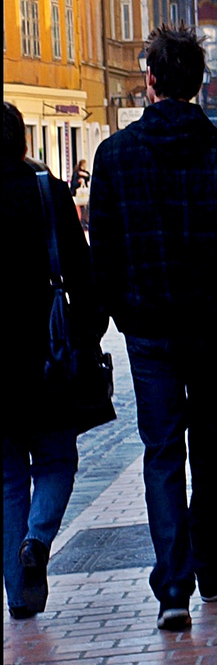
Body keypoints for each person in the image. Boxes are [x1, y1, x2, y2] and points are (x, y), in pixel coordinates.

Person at [88, 25, 217, 632]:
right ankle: (211, 561)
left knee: (162, 452)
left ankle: (173, 586)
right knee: (210, 450)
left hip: (148, 333)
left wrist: (116, 314)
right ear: (197, 85)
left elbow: (104, 256)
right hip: (211, 331)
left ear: (151, 82)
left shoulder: (114, 158)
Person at [3, 102, 106, 619]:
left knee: (5, 479)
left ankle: (21, 596)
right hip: (48, 356)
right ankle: (39, 541)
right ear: (22, 141)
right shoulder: (47, 192)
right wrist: (90, 329)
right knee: (57, 460)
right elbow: (81, 272)